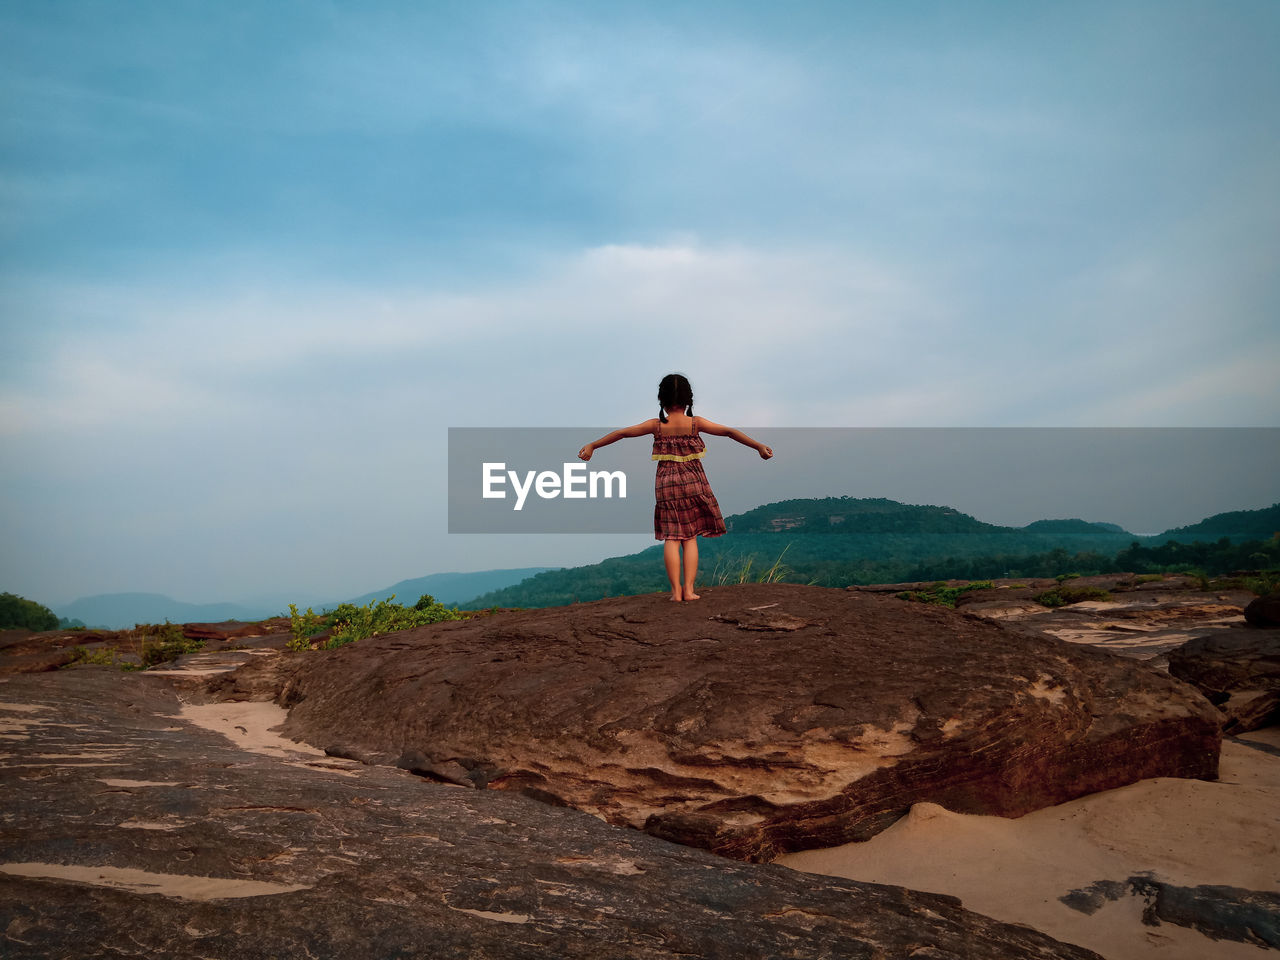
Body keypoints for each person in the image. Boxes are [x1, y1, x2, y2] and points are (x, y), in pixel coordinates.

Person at [578, 374, 773, 602]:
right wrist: (758, 446)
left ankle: (675, 593)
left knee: (672, 537)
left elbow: (622, 433)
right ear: (688, 398)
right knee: (690, 537)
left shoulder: (656, 426)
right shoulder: (695, 423)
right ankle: (689, 591)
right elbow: (729, 432)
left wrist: (593, 445)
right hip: (693, 482)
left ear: (661, 399)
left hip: (666, 485)